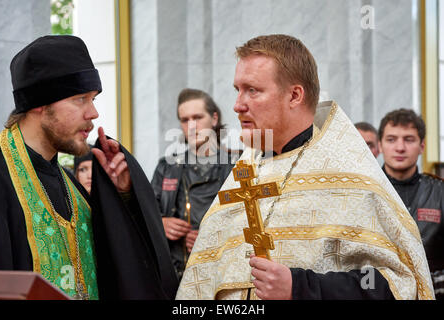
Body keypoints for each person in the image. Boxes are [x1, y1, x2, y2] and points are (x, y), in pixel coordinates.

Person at [176, 34, 434, 300]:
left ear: (295, 95)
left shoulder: (350, 175)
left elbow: (399, 285)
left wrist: (301, 287)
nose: (238, 105)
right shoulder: (244, 174)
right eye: (237, 90)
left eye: (252, 90)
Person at [0, 35, 178, 300]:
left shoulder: (74, 189)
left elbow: (124, 273)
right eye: (80, 99)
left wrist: (122, 195)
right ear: (39, 104)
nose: (93, 113)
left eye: (93, 99)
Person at [151, 88, 240, 281]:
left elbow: (257, 217)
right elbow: (145, 215)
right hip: (177, 275)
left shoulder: (240, 163)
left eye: (197, 117)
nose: (191, 126)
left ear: (214, 119)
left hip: (226, 275)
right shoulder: (166, 167)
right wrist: (161, 224)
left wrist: (213, 236)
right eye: (185, 120)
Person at [378, 108, 444, 299]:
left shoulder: (439, 193)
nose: (400, 147)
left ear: (422, 146)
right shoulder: (364, 193)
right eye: (391, 139)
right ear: (381, 146)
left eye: (409, 139)